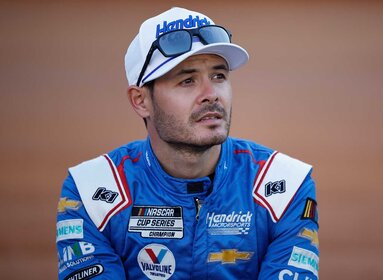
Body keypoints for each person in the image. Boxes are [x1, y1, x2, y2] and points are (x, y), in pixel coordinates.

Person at [56, 7, 319, 280]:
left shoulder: (284, 186)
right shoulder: (91, 191)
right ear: (140, 100)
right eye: (187, 80)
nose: (211, 95)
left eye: (219, 76)